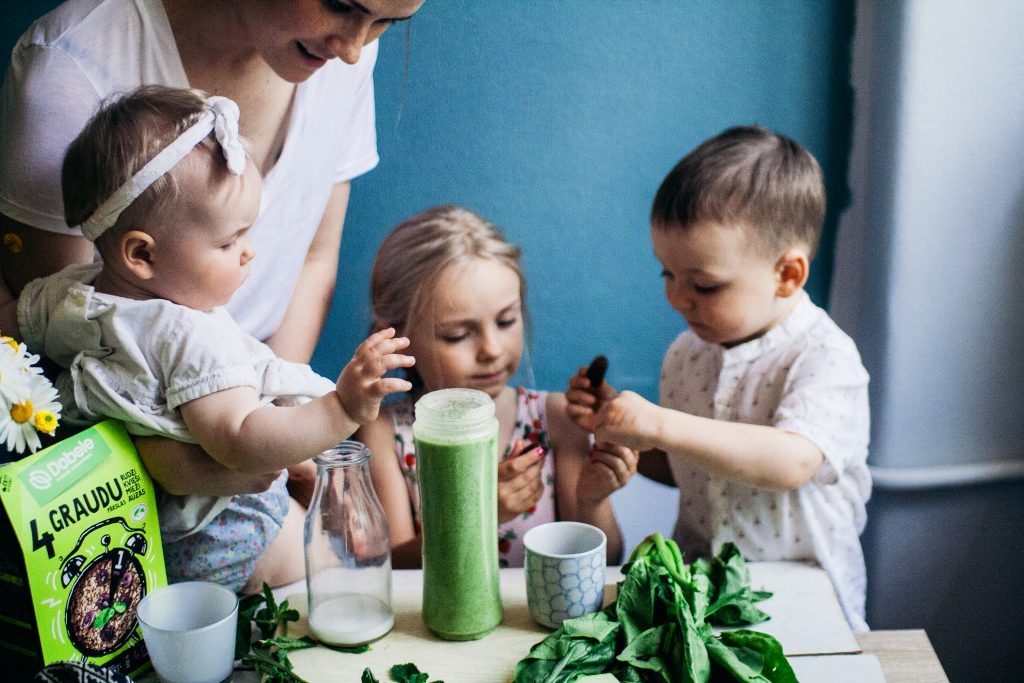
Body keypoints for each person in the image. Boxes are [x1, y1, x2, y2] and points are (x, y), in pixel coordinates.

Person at [0, 0, 423, 503]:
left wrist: (274, 429)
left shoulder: (339, 58)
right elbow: (73, 345)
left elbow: (314, 259)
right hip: (112, 474)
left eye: (387, 23)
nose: (354, 49)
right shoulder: (71, 66)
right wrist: (181, 461)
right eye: (340, 5)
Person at [14, 85, 415, 593]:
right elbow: (244, 439)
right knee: (334, 587)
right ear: (142, 255)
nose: (249, 253)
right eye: (229, 241)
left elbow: (16, 327)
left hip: (123, 540)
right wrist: (342, 409)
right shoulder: (189, 337)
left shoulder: (66, 294)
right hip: (227, 532)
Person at [566, 125, 871, 630]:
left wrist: (660, 424)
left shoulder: (825, 358)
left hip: (804, 604)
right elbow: (683, 468)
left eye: (704, 285)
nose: (679, 299)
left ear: (787, 275)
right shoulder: (687, 354)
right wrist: (624, 430)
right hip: (698, 598)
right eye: (667, 274)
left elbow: (790, 460)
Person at [357, 205, 638, 569]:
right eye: (458, 335)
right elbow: (392, 569)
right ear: (397, 338)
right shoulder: (386, 435)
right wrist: (479, 517)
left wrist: (592, 501)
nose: (491, 349)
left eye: (506, 321)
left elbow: (607, 561)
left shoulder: (553, 419)